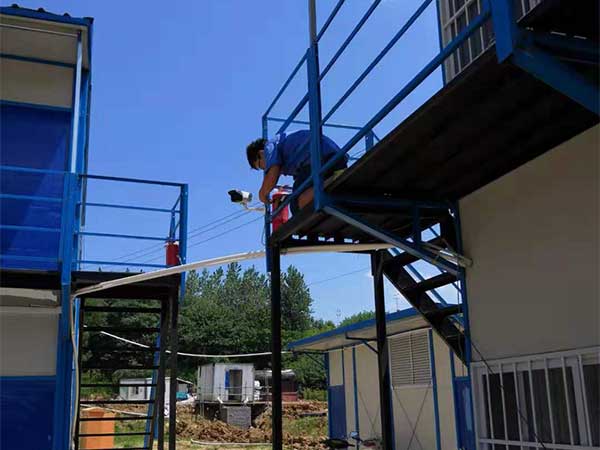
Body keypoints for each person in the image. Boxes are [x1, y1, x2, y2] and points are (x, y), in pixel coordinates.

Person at [246, 130, 347, 214]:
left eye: (261, 166)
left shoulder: (269, 147)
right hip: (333, 158)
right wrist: (286, 197)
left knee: (297, 205)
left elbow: (273, 172)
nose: (265, 170)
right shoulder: (286, 149)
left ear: (261, 154)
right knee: (297, 198)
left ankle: (333, 179)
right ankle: (334, 177)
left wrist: (262, 194)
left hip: (318, 158)